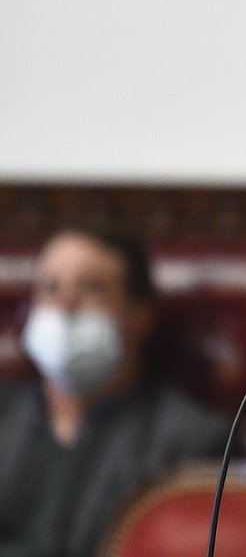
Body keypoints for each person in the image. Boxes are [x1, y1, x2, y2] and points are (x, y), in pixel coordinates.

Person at [0, 227, 231, 557]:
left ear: (140, 315)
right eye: (50, 287)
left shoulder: (190, 440)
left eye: (91, 288)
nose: (65, 305)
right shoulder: (4, 413)